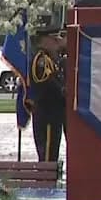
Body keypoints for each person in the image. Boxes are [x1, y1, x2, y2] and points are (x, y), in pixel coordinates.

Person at [29, 28, 67, 163]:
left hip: (55, 113)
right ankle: (46, 182)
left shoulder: (53, 59)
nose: (57, 43)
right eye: (54, 40)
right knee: (47, 154)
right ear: (45, 41)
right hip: (47, 114)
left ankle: (49, 180)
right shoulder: (41, 60)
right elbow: (46, 82)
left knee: (53, 153)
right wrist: (64, 91)